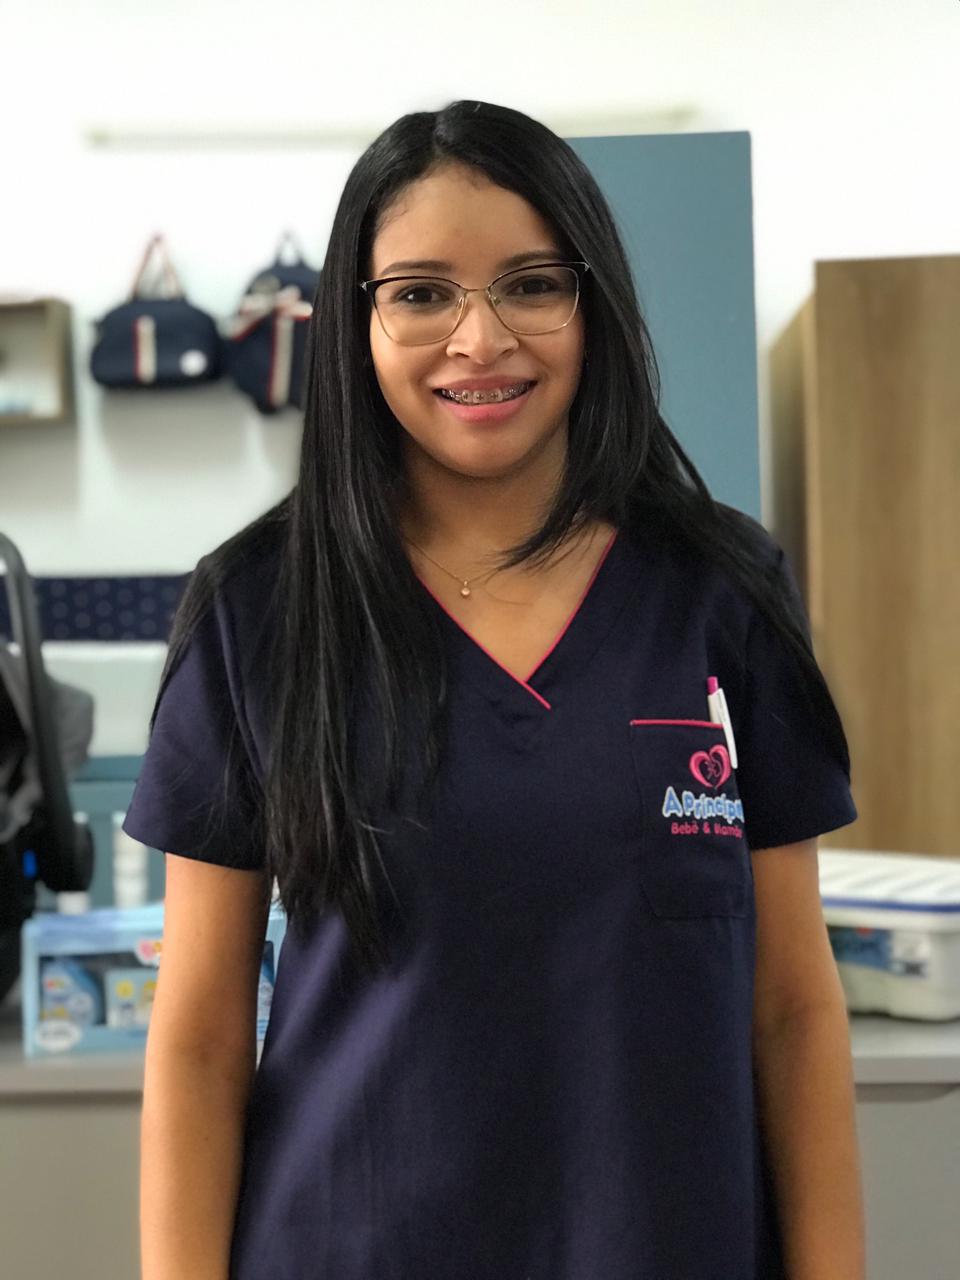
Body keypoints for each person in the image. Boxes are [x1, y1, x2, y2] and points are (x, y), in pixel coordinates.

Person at [125, 100, 866, 1280]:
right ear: (358, 321)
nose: (480, 338)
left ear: (593, 304)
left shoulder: (721, 591)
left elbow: (792, 1007)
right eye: (421, 293)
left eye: (531, 284)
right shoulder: (260, 608)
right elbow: (202, 1039)